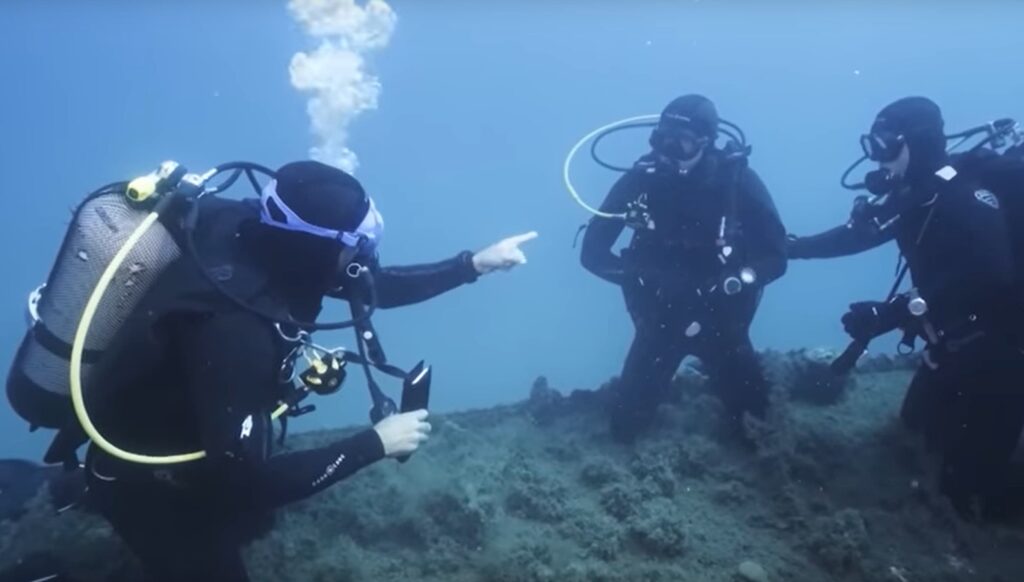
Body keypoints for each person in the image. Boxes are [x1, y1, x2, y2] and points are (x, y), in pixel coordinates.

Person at [4, 160, 536, 581]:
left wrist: (471, 265)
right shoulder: (237, 330)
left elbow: (368, 286)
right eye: (356, 245)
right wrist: (375, 443)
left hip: (187, 426)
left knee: (251, 523)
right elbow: (247, 482)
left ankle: (80, 488)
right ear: (317, 247)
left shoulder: (243, 227)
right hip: (145, 474)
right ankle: (75, 505)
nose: (363, 257)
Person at [787, 96, 1024, 520]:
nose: (878, 158)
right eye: (873, 145)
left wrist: (896, 312)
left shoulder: (966, 196)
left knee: (970, 491)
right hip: (952, 345)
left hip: (1005, 353)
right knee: (912, 434)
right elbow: (857, 236)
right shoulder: (915, 194)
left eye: (887, 146)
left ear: (920, 142)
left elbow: (994, 273)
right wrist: (792, 248)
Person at [579, 94, 788, 443]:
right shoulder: (641, 180)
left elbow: (776, 257)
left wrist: (736, 281)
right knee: (626, 426)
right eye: (661, 138)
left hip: (723, 320)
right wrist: (644, 278)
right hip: (659, 318)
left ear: (706, 142)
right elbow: (592, 254)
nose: (667, 150)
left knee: (755, 424)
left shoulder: (736, 181)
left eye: (681, 142)